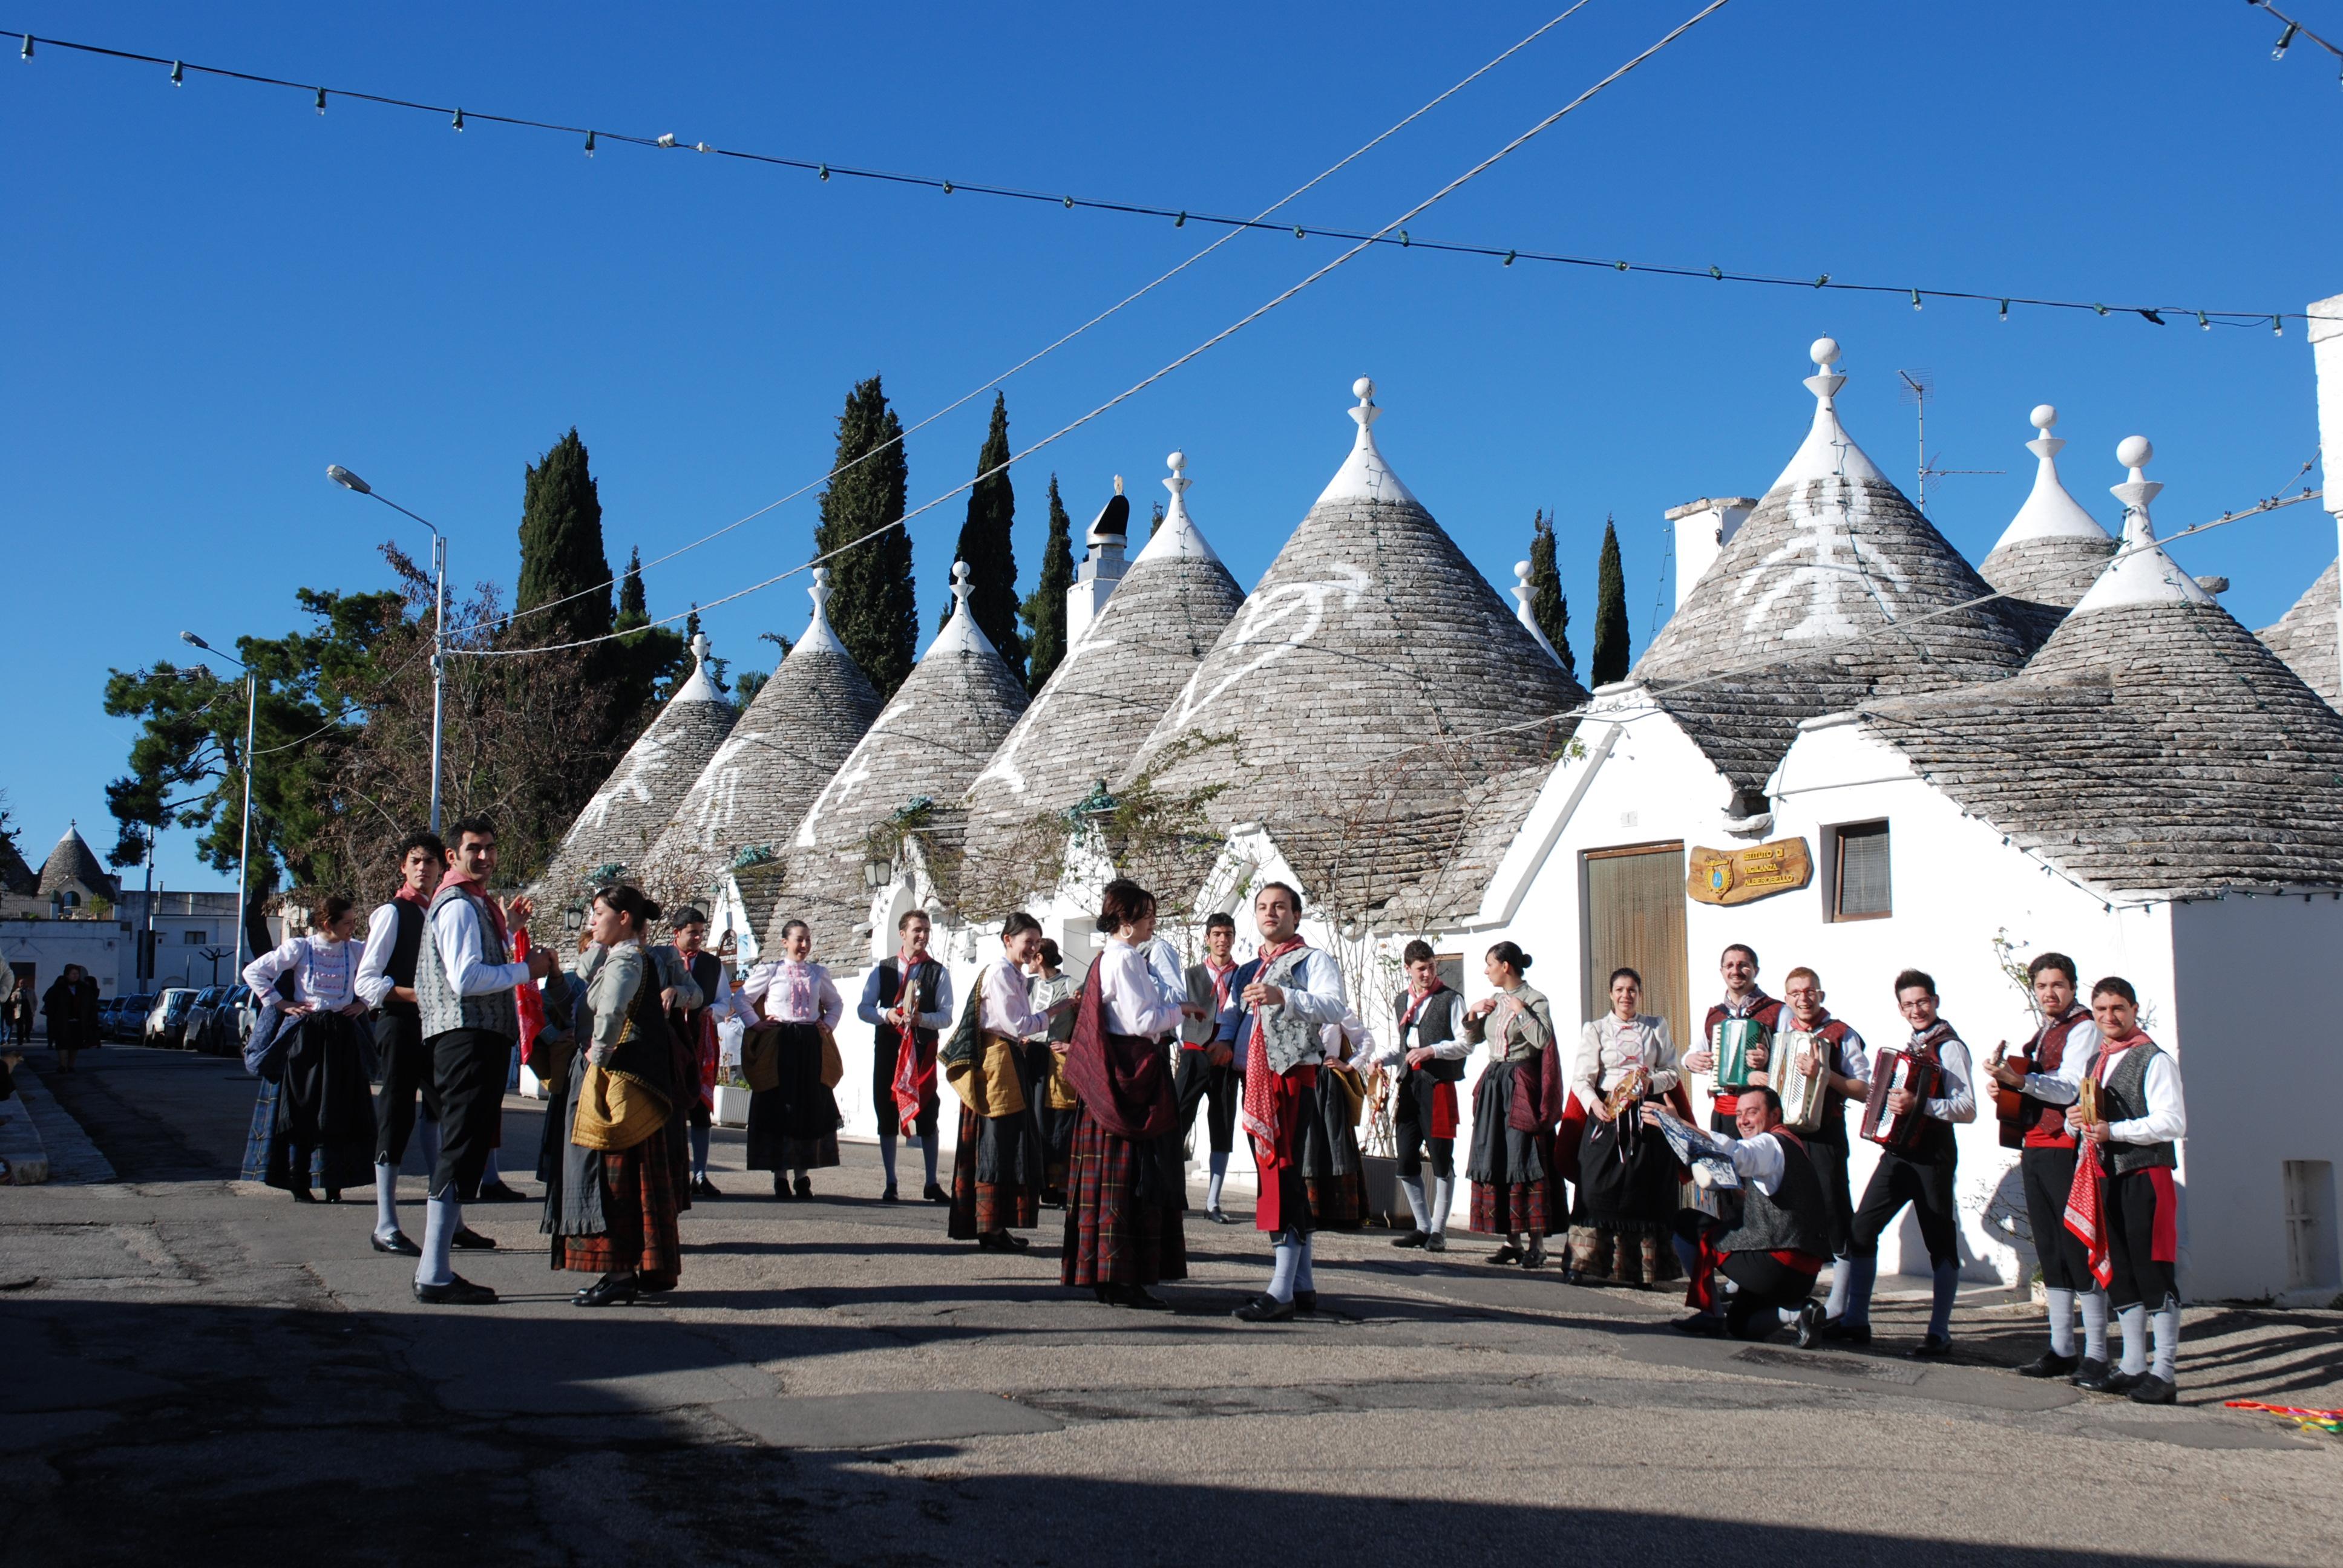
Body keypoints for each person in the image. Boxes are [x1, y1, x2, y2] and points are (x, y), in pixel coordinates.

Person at [410, 816, 555, 1306]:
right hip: (464, 1039)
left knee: (464, 1148)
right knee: (459, 1148)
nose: (485, 857)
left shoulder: (475, 904)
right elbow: (466, 978)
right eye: (474, 849)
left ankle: (437, 1266)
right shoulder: (457, 904)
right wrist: (526, 970)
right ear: (453, 857)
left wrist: (509, 930)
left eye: (491, 848)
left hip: (471, 1038)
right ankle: (433, 1271)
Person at [542, 885, 687, 1307]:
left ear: (624, 918)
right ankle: (636, 1268)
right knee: (630, 1178)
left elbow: (611, 1012)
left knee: (612, 1177)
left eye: (598, 912)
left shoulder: (627, 959)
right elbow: (580, 999)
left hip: (618, 1082)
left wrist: (598, 1056)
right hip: (631, 1081)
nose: (591, 921)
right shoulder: (618, 957)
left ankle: (620, 1272)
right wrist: (556, 973)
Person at [1824, 968, 1977, 1355]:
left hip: (1934, 1155)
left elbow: (1968, 1108)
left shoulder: (1950, 1046)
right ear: (1900, 1008)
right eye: (1908, 1004)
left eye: (1922, 1002)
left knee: (1939, 1240)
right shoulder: (1912, 1043)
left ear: (1936, 1002)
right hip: (1899, 1154)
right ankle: (1856, 1320)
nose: (1916, 1009)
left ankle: (1939, 1333)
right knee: (1861, 1230)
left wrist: (1919, 1104)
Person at [1224, 881, 1349, 1322]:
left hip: (1293, 1075)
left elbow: (1335, 1007)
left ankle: (1281, 1291)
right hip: (1260, 1079)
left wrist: (1286, 996)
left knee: (1283, 1173)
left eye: (1279, 907)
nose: (1269, 913)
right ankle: (1302, 1283)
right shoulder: (1254, 967)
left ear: (1297, 915)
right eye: (1262, 907)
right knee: (1280, 1174)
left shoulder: (1312, 959)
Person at [1060, 878, 1188, 1308]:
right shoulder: (1128, 959)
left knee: (1109, 1183)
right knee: (1130, 1180)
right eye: (1148, 916)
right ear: (1128, 922)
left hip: (1112, 1077)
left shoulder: (1104, 959)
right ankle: (1123, 1277)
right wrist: (1180, 1011)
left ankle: (1106, 1273)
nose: (1153, 924)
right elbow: (1141, 1020)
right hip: (1129, 1078)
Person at [1982, 953, 2105, 1380]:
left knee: (2075, 1247)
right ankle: (2061, 1348)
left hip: (2064, 1146)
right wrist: (2006, 1088)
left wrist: (2021, 1082)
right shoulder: (2048, 1030)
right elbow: (2036, 1084)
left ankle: (2098, 1353)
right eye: (2041, 986)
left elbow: (2070, 1087)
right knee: (2050, 1249)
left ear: (2072, 987)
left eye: (2057, 985)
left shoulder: (2084, 1028)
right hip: (2035, 1143)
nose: (2049, 993)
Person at [2068, 976, 2187, 1404]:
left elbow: (2173, 1122)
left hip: (2146, 1175)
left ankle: (2165, 1371)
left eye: (2117, 1008)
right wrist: (2075, 1121)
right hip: (2107, 1177)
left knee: (2153, 1270)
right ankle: (2135, 1365)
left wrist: (2113, 1129)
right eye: (2101, 1010)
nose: (2109, 1017)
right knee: (2120, 1271)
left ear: (2134, 1010)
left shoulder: (2153, 1059)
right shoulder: (2096, 1062)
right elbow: (2089, 1118)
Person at [1652, 1086, 1834, 1342]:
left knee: (1686, 1222)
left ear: (1775, 1115)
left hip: (1777, 1265)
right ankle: (1798, 1313)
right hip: (1803, 1275)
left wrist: (1679, 1124)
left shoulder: (1768, 1144)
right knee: (1739, 1324)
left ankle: (1711, 1314)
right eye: (1738, 1114)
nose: (1743, 1121)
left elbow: (1736, 1154)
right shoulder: (1792, 1144)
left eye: (1752, 1112)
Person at [945, 912, 1076, 1251]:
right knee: (996, 1139)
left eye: (1036, 942)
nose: (1033, 949)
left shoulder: (1015, 975)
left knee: (1009, 1141)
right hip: (997, 1063)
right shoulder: (1001, 974)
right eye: (1027, 942)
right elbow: (1018, 1025)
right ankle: (988, 1226)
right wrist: (1054, 1012)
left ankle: (996, 1226)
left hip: (1007, 1059)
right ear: (1008, 940)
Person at [241, 897, 381, 1204]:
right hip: (307, 1037)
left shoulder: (356, 950)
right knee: (303, 1109)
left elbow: (382, 974)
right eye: (347, 922)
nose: (352, 928)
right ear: (328, 923)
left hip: (342, 1036)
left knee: (340, 1109)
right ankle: (298, 1180)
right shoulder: (300, 948)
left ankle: (335, 1182)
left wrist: (364, 1003)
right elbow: (254, 972)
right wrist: (281, 1003)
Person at [356, 831, 447, 1255]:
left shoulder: (441, 910)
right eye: (415, 861)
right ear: (403, 867)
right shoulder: (392, 914)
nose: (423, 868)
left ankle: (449, 1216)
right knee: (395, 1113)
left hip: (436, 1025)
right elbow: (367, 982)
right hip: (399, 1023)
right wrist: (414, 993)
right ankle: (386, 1223)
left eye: (430, 861)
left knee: (441, 1112)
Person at [1568, 966, 1683, 1286]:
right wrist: (1595, 1104)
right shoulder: (1596, 1029)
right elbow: (1582, 1078)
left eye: (1632, 990)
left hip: (1646, 1114)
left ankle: (1643, 1270)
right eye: (1619, 990)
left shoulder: (1655, 1027)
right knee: (1596, 1185)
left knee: (1645, 1189)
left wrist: (1649, 1081)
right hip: (1607, 1114)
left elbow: (1672, 1072)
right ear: (1610, 994)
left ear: (1640, 994)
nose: (1625, 996)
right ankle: (1583, 1262)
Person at [1771, 967, 1871, 1325]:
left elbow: (1865, 1089)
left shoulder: (1842, 1034)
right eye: (1796, 993)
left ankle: (1841, 1304)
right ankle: (1790, 1300)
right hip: (1789, 1136)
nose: (1803, 998)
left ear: (1821, 995)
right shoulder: (1783, 1034)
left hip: (1826, 1134)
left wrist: (1825, 1074)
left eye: (1810, 991)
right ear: (1787, 1000)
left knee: (1834, 1213)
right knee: (1790, 1214)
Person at [1459, 942, 1563, 1269]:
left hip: (1521, 1087)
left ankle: (1538, 1245)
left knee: (1525, 1157)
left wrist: (1521, 1011)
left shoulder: (1535, 999)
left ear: (1505, 966)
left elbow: (1543, 1040)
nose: (1485, 970)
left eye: (1489, 964)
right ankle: (1512, 1242)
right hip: (1495, 1086)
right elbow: (1476, 1042)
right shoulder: (1494, 1001)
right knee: (1499, 1157)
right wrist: (1473, 1015)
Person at [739, 918, 845, 1198]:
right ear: (785, 942)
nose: (805, 945)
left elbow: (836, 1003)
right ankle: (780, 1175)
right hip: (780, 1044)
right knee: (780, 1107)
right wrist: (757, 1023)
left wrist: (828, 1024)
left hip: (810, 1044)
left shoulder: (818, 973)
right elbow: (742, 1000)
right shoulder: (771, 971)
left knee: (807, 1106)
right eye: (799, 939)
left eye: (808, 939)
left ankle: (803, 1176)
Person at [857, 910, 953, 1203]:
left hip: (921, 1052)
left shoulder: (938, 971)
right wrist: (887, 1014)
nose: (923, 935)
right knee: (886, 1111)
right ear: (903, 933)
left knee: (928, 1111)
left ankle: (931, 1182)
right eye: (917, 930)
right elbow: (864, 1008)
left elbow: (946, 1016)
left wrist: (921, 1018)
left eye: (926, 930)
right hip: (889, 1049)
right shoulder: (883, 970)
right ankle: (891, 1180)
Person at [1383, 940, 1468, 1252]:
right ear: (1408, 969)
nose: (1428, 973)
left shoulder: (1450, 999)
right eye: (1421, 968)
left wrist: (1433, 1050)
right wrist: (1383, 1058)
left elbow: (1466, 1043)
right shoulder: (1401, 1000)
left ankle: (1439, 1231)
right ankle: (1422, 1226)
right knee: (1405, 1158)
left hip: (1439, 1084)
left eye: (1431, 966)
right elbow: (1404, 1046)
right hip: (1410, 1084)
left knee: (1442, 1158)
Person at [653, 907, 725, 1198]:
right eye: (692, 932)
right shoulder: (658, 958)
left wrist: (712, 1010)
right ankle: (671, 1171)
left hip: (698, 1041)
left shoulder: (711, 964)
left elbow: (724, 1002)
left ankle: (701, 1174)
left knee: (699, 1109)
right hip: (668, 1042)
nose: (697, 938)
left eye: (700, 932)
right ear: (677, 933)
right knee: (669, 1108)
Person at [1176, 912, 1244, 1224]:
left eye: (1228, 934)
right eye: (1217, 934)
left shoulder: (1244, 976)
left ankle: (1213, 1202)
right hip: (1193, 1054)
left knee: (1223, 1125)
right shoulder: (1190, 975)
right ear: (1207, 938)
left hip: (1226, 1059)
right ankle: (1172, 1193)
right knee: (1178, 1121)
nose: (1222, 940)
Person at [1680, 944, 1782, 1134]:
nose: (1735, 971)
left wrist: (1769, 1059)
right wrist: (1689, 1060)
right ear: (1722, 971)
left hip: (1762, 1112)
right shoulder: (1715, 1015)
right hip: (1723, 1111)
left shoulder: (1779, 1011)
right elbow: (1693, 1051)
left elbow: (1791, 1061)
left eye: (1743, 965)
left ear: (1756, 970)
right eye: (1729, 966)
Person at [1024, 938, 1080, 1206]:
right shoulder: (1030, 986)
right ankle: (1037, 1183)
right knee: (1034, 1121)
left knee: (1057, 1121)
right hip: (1032, 1060)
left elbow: (1088, 1023)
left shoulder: (1071, 985)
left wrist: (1072, 1046)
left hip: (1056, 1062)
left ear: (1041, 958)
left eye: (1032, 955)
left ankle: (1059, 1188)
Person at [42, 964, 99, 1073]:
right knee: (62, 1043)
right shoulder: (59, 987)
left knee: (75, 1044)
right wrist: (55, 1016)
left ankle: (71, 1065)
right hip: (63, 1021)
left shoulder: (83, 988)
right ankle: (63, 1065)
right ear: (67, 975)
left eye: (77, 974)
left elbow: (91, 1002)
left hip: (78, 1021)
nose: (75, 976)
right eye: (73, 974)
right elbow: (48, 1001)